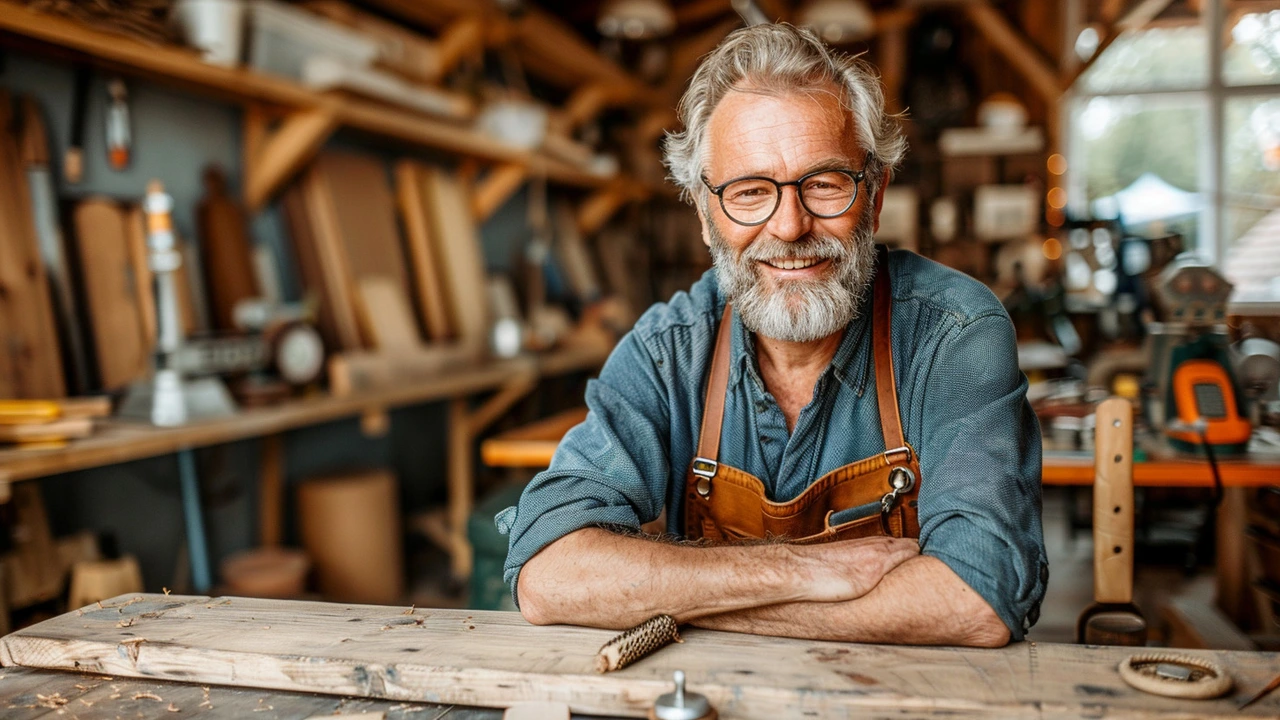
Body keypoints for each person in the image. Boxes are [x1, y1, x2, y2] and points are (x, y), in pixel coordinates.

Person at [496, 23, 1046, 647]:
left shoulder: (952, 334)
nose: (788, 226)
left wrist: (682, 601)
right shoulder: (669, 352)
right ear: (706, 216)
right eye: (749, 192)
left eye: (824, 184)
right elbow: (549, 572)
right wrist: (801, 569)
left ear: (875, 194)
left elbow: (978, 597)